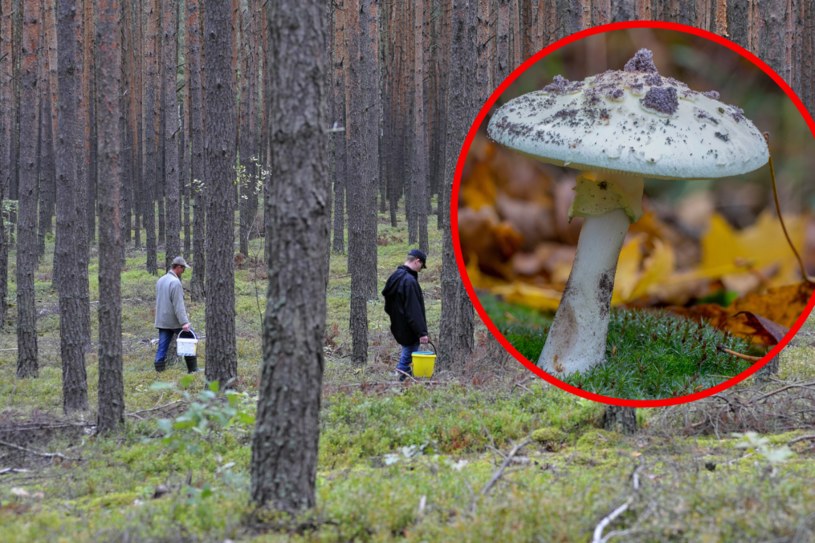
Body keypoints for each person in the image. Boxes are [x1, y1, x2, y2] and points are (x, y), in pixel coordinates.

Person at [382, 249, 429, 381]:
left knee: (407, 351)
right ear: (417, 261)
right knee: (409, 352)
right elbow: (414, 310)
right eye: (421, 266)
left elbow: (388, 305)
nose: (420, 270)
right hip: (409, 326)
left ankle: (402, 379)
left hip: (398, 324)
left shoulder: (395, 276)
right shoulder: (409, 281)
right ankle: (398, 380)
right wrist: (422, 332)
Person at [154, 256, 199, 373]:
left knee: (162, 347)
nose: (183, 271)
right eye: (183, 269)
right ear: (178, 267)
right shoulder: (175, 283)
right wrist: (184, 322)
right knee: (190, 339)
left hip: (162, 320)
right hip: (174, 321)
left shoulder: (161, 280)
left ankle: (159, 371)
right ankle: (193, 370)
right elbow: (178, 305)